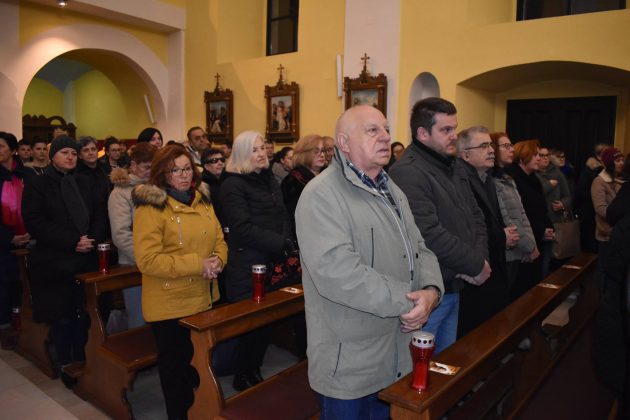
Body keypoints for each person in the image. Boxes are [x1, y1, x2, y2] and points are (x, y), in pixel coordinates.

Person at [296, 105, 443, 418]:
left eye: (386, 129)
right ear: (344, 142)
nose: (386, 137)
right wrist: (410, 302)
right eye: (372, 130)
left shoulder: (392, 190)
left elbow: (419, 247)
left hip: (395, 351)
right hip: (350, 360)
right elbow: (338, 273)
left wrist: (432, 291)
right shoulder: (321, 195)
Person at [132, 145, 226, 419]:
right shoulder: (151, 207)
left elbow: (220, 239)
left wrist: (218, 261)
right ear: (162, 173)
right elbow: (148, 260)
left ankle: (200, 412)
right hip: (169, 303)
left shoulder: (202, 199)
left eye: (187, 169)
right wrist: (199, 264)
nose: (183, 175)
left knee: (198, 365)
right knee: (176, 373)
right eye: (175, 170)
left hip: (202, 296)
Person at [389, 97, 489, 354]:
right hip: (428, 290)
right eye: (446, 130)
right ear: (423, 133)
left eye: (454, 128)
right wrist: (473, 264)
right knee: (420, 365)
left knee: (444, 362)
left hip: (455, 283)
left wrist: (479, 260)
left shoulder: (452, 165)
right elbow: (428, 233)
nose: (454, 135)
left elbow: (476, 217)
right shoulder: (408, 171)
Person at [22, 136, 108, 386]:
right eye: (64, 153)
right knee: (63, 316)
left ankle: (85, 359)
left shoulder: (84, 181)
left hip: (86, 256)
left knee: (86, 313)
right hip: (55, 260)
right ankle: (66, 362)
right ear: (53, 157)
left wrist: (91, 239)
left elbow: (99, 213)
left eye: (73, 153)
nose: (70, 157)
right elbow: (35, 221)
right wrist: (72, 241)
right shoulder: (38, 184)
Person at [219, 130, 294, 391]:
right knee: (250, 324)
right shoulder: (232, 184)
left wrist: (286, 240)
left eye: (263, 148)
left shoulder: (268, 178)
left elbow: (282, 214)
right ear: (242, 153)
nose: (262, 153)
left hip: (272, 259)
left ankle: (254, 369)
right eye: (255, 150)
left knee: (266, 322)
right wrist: (279, 243)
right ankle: (242, 374)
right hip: (248, 263)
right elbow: (241, 228)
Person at [455, 126, 510, 336]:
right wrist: (501, 235)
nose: (491, 150)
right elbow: (468, 225)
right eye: (484, 146)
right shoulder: (461, 181)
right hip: (475, 268)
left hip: (493, 260)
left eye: (491, 145)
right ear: (465, 155)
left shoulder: (486, 178)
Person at [108, 142, 156, 329]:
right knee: (139, 321)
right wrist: (146, 259)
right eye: (146, 167)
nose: (150, 172)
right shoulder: (121, 193)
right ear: (133, 165)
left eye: (154, 167)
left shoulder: (157, 188)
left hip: (160, 263)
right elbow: (121, 235)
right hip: (134, 264)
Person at [490, 132, 539, 297]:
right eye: (506, 146)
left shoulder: (507, 179)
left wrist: (531, 244)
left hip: (520, 249)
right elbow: (508, 219)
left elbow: (522, 214)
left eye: (511, 145)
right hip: (508, 252)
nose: (512, 149)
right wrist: (529, 247)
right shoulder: (492, 181)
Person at [505, 140, 554, 297]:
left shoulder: (533, 179)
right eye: (535, 155)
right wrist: (540, 230)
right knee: (521, 291)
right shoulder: (513, 178)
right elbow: (519, 214)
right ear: (523, 157)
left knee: (534, 287)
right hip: (522, 243)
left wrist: (548, 228)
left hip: (538, 237)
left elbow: (541, 208)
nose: (539, 158)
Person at [0, 132, 30, 349]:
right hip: (3, 242)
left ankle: (23, 326)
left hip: (28, 238)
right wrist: (9, 238)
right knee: (4, 287)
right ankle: (5, 329)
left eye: (1, 146)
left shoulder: (25, 174)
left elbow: (35, 205)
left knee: (22, 285)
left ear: (12, 150)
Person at [281, 135, 326, 239]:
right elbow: (295, 217)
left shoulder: (326, 175)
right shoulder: (294, 180)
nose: (322, 155)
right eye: (316, 151)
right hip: (307, 236)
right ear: (304, 154)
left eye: (323, 150)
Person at [536, 146, 572, 276]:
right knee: (540, 260)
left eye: (547, 155)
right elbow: (535, 194)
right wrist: (549, 185)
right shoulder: (532, 173)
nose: (545, 158)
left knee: (552, 257)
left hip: (555, 220)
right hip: (538, 221)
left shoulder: (557, 173)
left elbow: (568, 196)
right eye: (541, 155)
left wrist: (563, 204)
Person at [574, 143, 609, 253]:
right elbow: (579, 192)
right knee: (590, 247)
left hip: (600, 215)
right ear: (599, 156)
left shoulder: (608, 171)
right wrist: (598, 193)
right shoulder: (590, 170)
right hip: (589, 213)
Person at [591, 147, 625, 259]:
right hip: (607, 234)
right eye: (617, 160)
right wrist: (622, 215)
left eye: (622, 160)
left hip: (622, 233)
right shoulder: (599, 182)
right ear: (610, 164)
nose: (621, 163)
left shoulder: (621, 180)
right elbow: (600, 209)